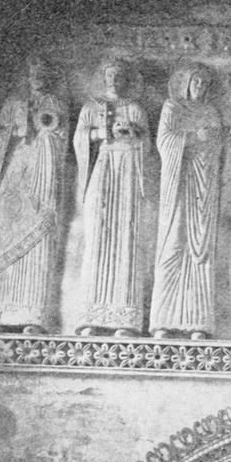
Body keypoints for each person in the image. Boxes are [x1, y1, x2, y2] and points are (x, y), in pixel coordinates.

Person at [0, 58, 68, 335]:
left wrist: (46, 134)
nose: (39, 78)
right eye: (34, 74)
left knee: (40, 237)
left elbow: (61, 137)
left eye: (44, 74)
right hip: (15, 171)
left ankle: (33, 314)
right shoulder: (13, 104)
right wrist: (15, 130)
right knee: (6, 234)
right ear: (28, 77)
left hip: (42, 176)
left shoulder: (55, 103)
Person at [74, 57, 150, 338]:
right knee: (97, 235)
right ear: (103, 78)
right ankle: (91, 316)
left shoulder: (135, 109)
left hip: (127, 172)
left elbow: (147, 146)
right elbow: (79, 140)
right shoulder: (90, 108)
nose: (114, 81)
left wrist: (133, 134)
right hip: (104, 168)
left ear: (127, 80)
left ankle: (124, 319)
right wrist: (104, 132)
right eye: (109, 75)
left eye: (119, 76)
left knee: (126, 237)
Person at [149, 65, 226, 340]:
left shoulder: (211, 113)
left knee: (200, 248)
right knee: (173, 242)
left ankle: (198, 322)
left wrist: (210, 141)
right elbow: (164, 140)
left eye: (205, 83)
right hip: (178, 181)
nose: (200, 87)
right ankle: (162, 321)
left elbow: (216, 147)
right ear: (186, 83)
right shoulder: (172, 107)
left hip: (202, 183)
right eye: (196, 82)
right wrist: (194, 137)